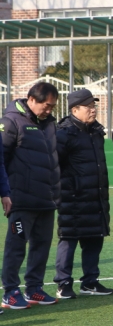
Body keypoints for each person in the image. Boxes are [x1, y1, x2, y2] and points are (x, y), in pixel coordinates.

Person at [1, 82, 60, 309]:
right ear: (31, 100)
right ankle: (10, 291)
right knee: (16, 245)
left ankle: (34, 288)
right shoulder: (11, 122)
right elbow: (2, 160)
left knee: (42, 245)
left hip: (46, 198)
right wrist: (6, 193)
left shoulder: (49, 124)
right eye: (46, 106)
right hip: (21, 200)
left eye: (52, 107)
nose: (49, 110)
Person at [53, 89, 113, 299]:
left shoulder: (96, 132)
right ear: (75, 109)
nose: (93, 110)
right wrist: (69, 188)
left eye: (94, 106)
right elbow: (55, 166)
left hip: (95, 195)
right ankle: (63, 283)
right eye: (88, 107)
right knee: (69, 239)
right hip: (73, 197)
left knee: (94, 239)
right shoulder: (63, 133)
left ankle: (90, 282)